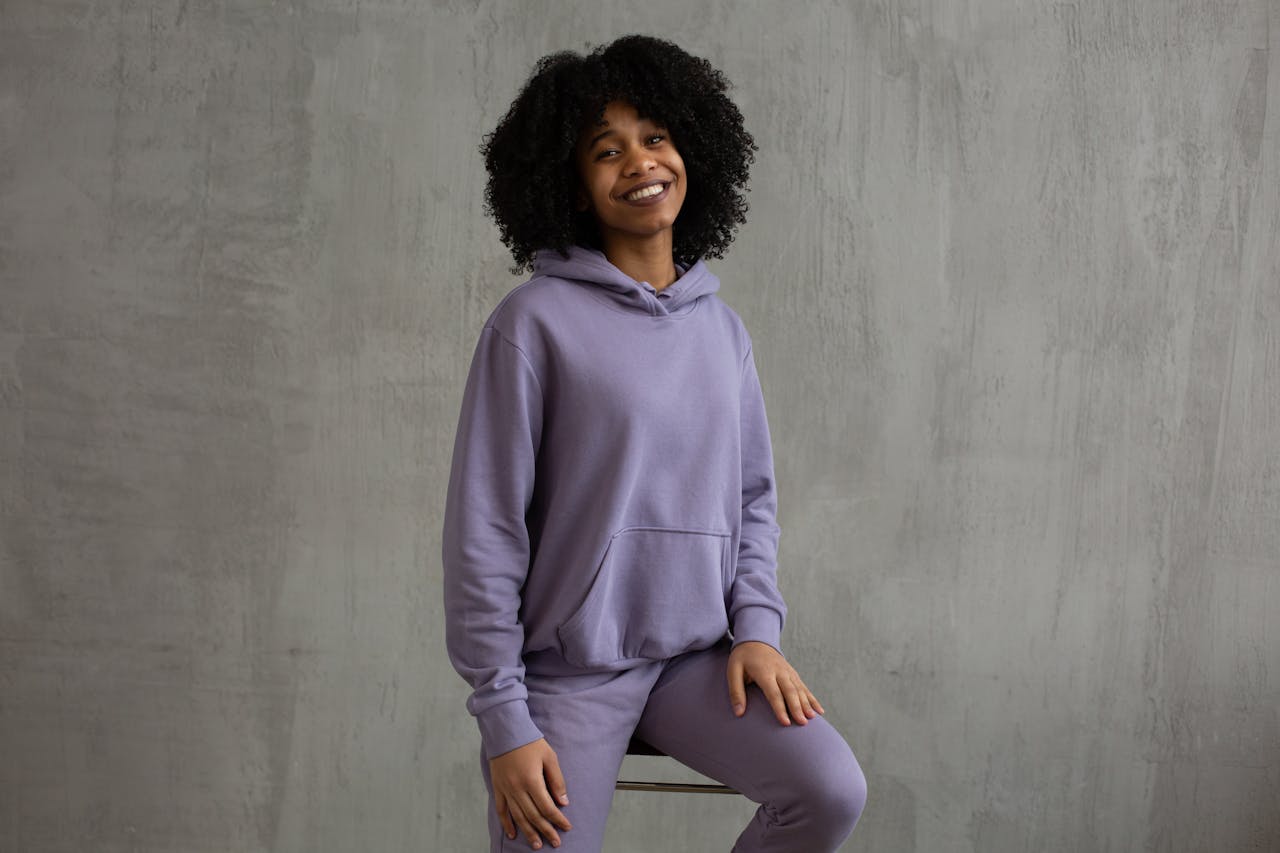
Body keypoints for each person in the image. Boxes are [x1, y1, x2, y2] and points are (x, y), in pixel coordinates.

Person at [442, 34, 867, 852]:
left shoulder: (722, 331)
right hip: (568, 671)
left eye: (656, 137)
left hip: (697, 664)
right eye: (606, 150)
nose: (639, 161)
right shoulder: (532, 326)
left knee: (828, 789)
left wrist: (758, 633)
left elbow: (752, 502)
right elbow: (484, 528)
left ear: (691, 151)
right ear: (571, 186)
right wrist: (504, 718)